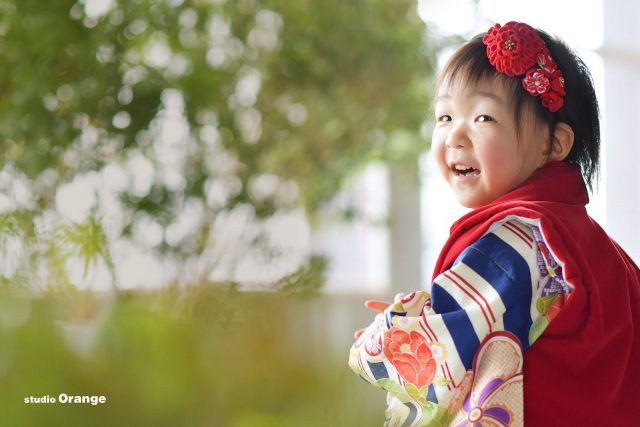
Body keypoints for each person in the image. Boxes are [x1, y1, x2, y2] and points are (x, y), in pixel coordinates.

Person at [348, 21, 640, 426]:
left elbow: (443, 355)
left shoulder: (514, 242)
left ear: (552, 144)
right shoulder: (598, 248)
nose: (454, 137)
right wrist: (434, 311)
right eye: (445, 116)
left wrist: (385, 336)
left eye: (483, 118)